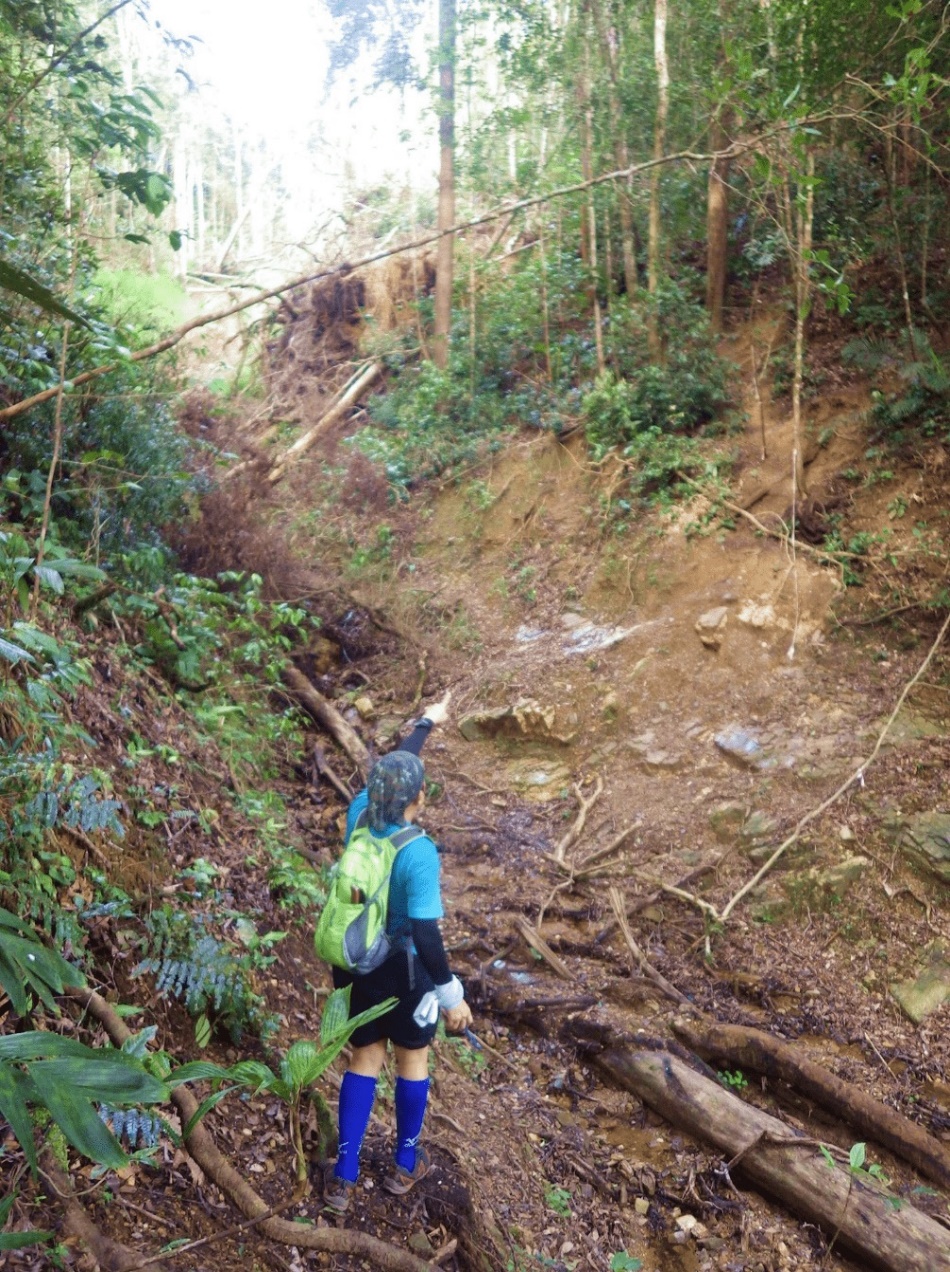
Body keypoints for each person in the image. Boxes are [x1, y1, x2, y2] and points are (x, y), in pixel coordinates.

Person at [323, 693, 473, 1212]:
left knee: (363, 1059)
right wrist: (450, 994)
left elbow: (393, 767)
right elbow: (428, 936)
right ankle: (405, 1165)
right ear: (421, 797)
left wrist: (426, 723)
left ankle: (344, 1175)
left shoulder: (360, 813)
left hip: (358, 961)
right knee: (412, 1058)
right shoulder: (419, 852)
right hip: (407, 970)